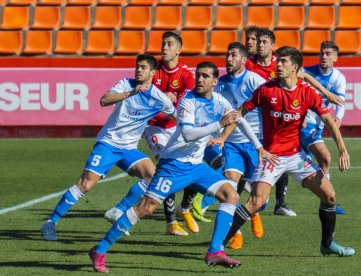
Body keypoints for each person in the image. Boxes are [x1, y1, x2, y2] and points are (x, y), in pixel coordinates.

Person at [88, 62, 277, 272]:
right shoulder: (188, 100)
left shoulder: (218, 100)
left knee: (231, 195)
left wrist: (259, 147)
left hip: (195, 166)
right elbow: (188, 134)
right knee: (146, 208)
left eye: (205, 76)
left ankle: (215, 250)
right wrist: (219, 125)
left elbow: (238, 118)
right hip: (173, 166)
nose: (200, 79)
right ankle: (100, 249)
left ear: (215, 81)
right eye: (198, 75)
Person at [216, 46, 355, 257]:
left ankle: (327, 244)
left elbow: (329, 120)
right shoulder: (266, 90)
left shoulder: (307, 93)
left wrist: (342, 150)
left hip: (296, 156)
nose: (277, 65)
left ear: (294, 68)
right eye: (278, 61)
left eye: (283, 62)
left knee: (330, 196)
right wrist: (222, 137)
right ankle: (219, 245)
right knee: (256, 202)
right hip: (271, 156)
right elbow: (240, 113)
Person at [40, 54, 176, 241]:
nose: (138, 70)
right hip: (109, 143)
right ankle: (50, 222)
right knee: (86, 184)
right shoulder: (126, 84)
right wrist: (131, 93)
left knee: (153, 176)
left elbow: (178, 118)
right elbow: (104, 100)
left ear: (152, 72)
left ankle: (117, 211)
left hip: (128, 149)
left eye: (143, 67)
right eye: (137, 66)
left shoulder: (159, 98)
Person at [104, 32, 212, 236]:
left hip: (177, 126)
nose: (165, 47)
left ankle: (185, 209)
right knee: (166, 168)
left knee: (192, 166)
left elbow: (191, 103)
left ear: (179, 50)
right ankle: (169, 221)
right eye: (163, 43)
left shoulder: (187, 74)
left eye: (170, 44)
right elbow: (144, 97)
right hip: (154, 126)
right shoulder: (153, 70)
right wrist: (164, 98)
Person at [246, 28, 344, 217]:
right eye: (256, 41)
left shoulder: (283, 65)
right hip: (258, 125)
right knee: (248, 184)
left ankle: (281, 203)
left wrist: (326, 93)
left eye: (262, 41)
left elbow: (304, 76)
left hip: (284, 127)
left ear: (271, 46)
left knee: (296, 159)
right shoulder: (251, 67)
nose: (258, 44)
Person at [193, 42, 267, 250]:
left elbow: (272, 100)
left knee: (261, 199)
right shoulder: (220, 83)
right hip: (231, 143)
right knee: (230, 186)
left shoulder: (254, 80)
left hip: (256, 142)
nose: (229, 59)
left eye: (234, 55)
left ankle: (255, 211)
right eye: (227, 55)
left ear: (244, 60)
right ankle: (235, 233)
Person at [300, 41, 347, 215]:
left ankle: (326, 199)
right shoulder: (306, 72)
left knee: (317, 161)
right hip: (303, 124)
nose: (324, 57)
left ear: (335, 57)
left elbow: (340, 102)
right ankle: (328, 200)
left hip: (317, 125)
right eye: (321, 53)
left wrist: (338, 118)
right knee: (325, 157)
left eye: (328, 54)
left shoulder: (338, 78)